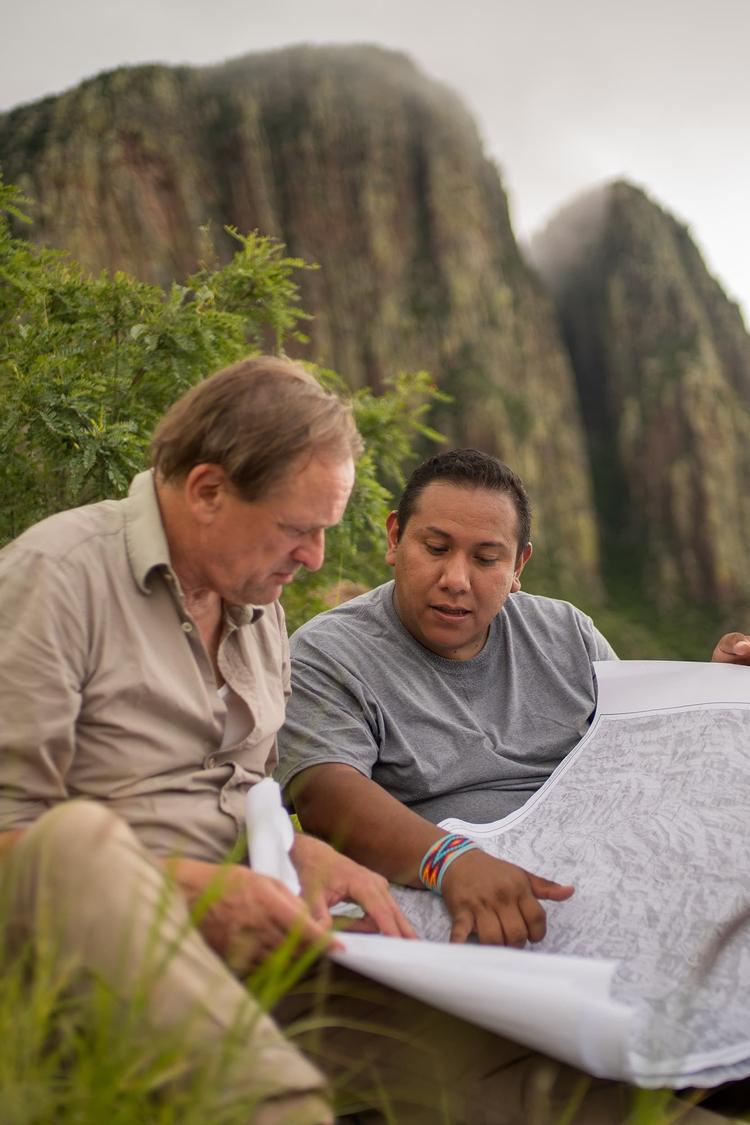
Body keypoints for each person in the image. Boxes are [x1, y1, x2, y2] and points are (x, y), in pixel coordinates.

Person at [0, 374, 739, 1125]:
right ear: (208, 490)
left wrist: (297, 849)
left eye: (325, 530)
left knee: (512, 1075)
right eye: (298, 528)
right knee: (74, 839)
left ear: (519, 566)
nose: (317, 559)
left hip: (272, 929)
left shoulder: (256, 607)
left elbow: (248, 792)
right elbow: (18, 843)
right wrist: (197, 890)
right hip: (120, 930)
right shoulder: (59, 578)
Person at [277, 448, 750, 951]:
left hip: (603, 872)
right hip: (446, 893)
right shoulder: (328, 653)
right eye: (435, 548)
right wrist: (451, 862)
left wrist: (717, 698)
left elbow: (636, 751)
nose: (456, 580)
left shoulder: (567, 633)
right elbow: (325, 794)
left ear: (518, 563)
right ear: (395, 538)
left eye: (486, 559)